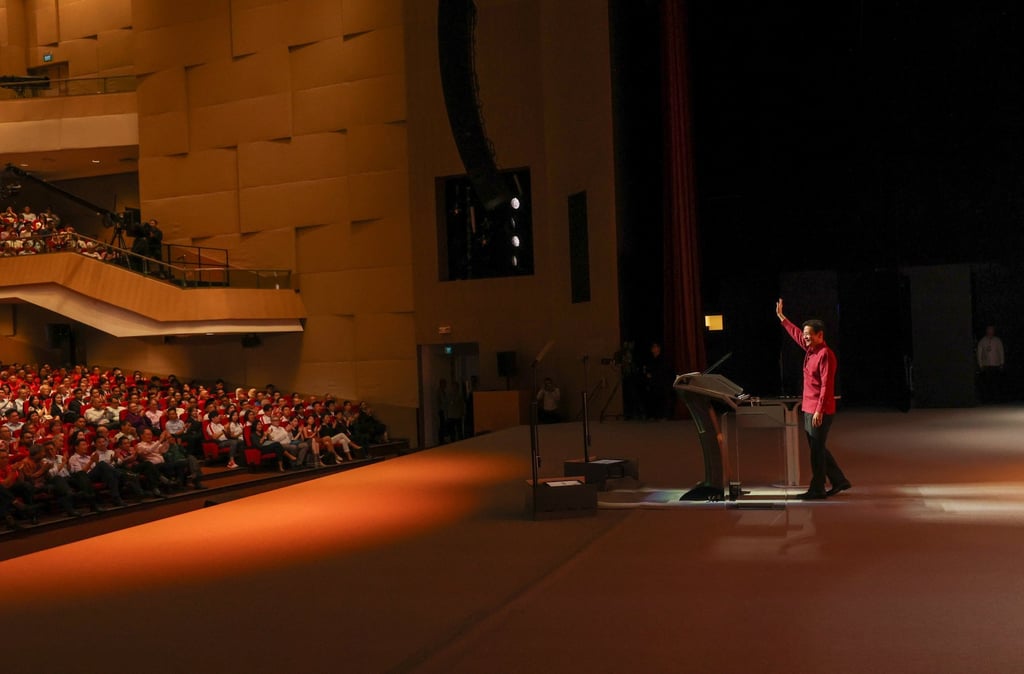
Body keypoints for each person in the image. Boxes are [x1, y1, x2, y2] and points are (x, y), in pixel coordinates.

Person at [776, 298, 851, 500]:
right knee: (817, 448)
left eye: (810, 335)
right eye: (806, 335)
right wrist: (782, 317)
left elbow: (827, 386)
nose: (806, 338)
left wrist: (818, 410)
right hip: (809, 407)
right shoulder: (811, 349)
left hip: (821, 409)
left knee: (816, 451)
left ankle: (817, 489)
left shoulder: (826, 354)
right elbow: (795, 334)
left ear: (820, 335)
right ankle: (839, 480)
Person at [977, 325, 1005, 404]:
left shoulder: (997, 340)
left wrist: (1002, 363)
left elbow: (1001, 351)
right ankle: (988, 400)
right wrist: (980, 365)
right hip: (986, 365)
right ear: (986, 331)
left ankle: (997, 399)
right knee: (987, 383)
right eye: (989, 330)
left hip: (996, 365)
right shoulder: (982, 341)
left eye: (992, 330)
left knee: (996, 383)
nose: (990, 332)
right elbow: (979, 354)